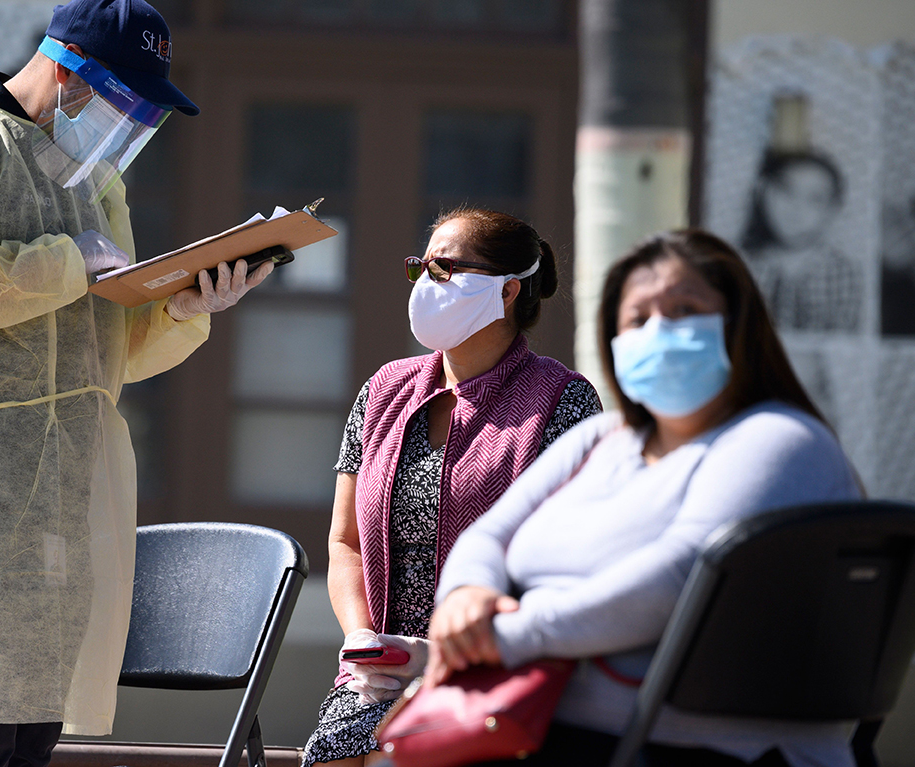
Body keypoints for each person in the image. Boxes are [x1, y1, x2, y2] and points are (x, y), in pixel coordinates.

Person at [0, 1, 272, 764]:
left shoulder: (93, 183)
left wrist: (184, 308)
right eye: (124, 100)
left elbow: (109, 352)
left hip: (60, 503)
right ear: (70, 69)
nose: (128, 122)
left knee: (30, 734)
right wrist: (68, 259)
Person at [428, 230, 862, 767]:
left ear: (739, 326)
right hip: (522, 721)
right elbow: (489, 534)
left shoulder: (780, 440)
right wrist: (467, 594)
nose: (661, 331)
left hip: (684, 750)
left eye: (685, 310)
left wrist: (507, 637)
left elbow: (684, 573)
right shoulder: (599, 439)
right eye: (638, 319)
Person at [302, 208, 602, 767]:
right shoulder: (383, 391)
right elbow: (344, 541)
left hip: (495, 670)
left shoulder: (566, 400)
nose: (425, 285)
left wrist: (450, 650)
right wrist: (363, 642)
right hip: (376, 675)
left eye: (445, 270)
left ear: (508, 291)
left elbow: (570, 563)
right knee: (336, 755)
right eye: (421, 268)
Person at [740, 149, 860, 332]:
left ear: (832, 210)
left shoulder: (843, 274)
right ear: (764, 191)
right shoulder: (741, 265)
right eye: (786, 191)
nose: (796, 207)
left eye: (815, 199)